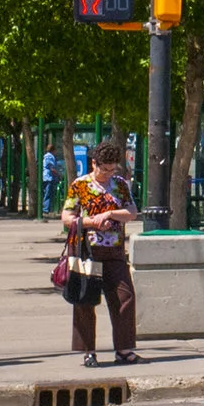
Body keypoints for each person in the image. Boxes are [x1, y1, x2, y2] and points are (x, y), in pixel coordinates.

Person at [62, 140, 141, 367]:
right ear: (93, 163)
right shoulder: (80, 185)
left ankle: (124, 350)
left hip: (114, 250)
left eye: (111, 169)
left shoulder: (120, 185)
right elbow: (67, 218)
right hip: (87, 251)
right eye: (103, 169)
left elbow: (132, 212)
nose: (107, 173)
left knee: (125, 297)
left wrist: (111, 215)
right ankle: (89, 351)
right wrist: (91, 221)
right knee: (85, 300)